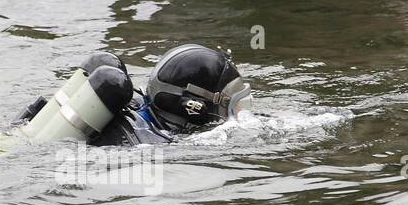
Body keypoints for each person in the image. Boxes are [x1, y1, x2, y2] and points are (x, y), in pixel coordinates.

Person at [13, 44, 252, 146]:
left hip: (20, 135)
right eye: (230, 101)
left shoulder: (136, 106)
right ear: (194, 105)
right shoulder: (160, 142)